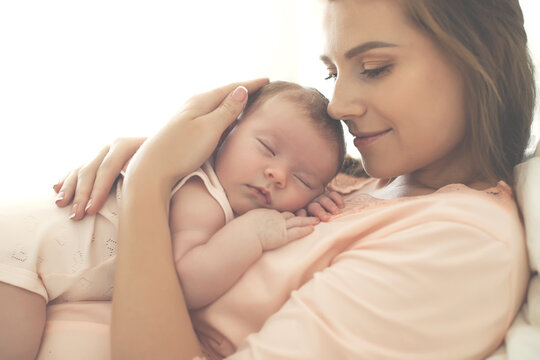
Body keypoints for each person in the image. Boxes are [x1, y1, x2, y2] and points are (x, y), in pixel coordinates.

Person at [3, 0, 537, 359]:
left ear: (482, 58)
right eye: (332, 73)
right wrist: (158, 161)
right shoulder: (355, 182)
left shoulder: (460, 243)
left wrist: (148, 182)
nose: (339, 105)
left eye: (373, 66)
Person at [0, 81, 346, 359]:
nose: (278, 175)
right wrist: (252, 234)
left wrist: (315, 198)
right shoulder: (202, 193)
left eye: (303, 180)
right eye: (267, 148)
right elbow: (184, 283)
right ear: (225, 133)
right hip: (20, 258)